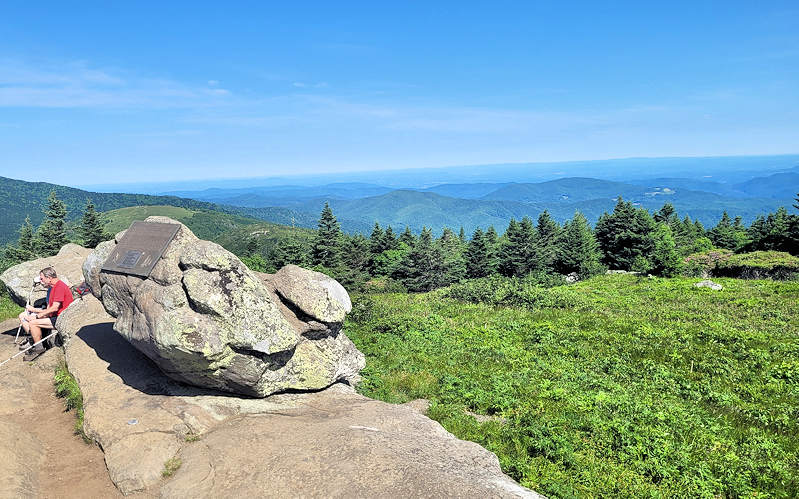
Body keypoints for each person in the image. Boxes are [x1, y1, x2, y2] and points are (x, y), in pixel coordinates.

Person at [17, 267, 73, 361]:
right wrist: (37, 315)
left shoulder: (59, 287)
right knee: (31, 320)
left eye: (42, 279)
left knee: (33, 323)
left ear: (49, 277)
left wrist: (37, 316)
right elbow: (51, 309)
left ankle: (39, 349)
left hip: (62, 318)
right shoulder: (54, 287)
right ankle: (35, 344)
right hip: (56, 316)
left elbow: (55, 308)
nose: (41, 281)